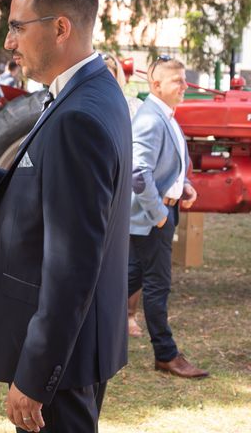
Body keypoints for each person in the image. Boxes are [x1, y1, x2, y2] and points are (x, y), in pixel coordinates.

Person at [0, 0, 132, 432]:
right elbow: (57, 197)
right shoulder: (92, 90)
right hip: (78, 346)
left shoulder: (79, 115)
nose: (9, 42)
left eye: (17, 26)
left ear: (60, 27)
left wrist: (36, 375)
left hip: (64, 360)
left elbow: (72, 263)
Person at [128, 57, 209, 379]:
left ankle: (80, 331)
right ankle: (166, 354)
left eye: (185, 80)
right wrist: (160, 215)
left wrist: (184, 186)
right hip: (152, 218)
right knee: (157, 285)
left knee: (127, 280)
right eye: (177, 81)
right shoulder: (151, 119)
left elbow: (167, 167)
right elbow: (138, 172)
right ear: (156, 85)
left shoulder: (167, 116)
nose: (185, 86)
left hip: (161, 212)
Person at [102, 52, 145, 336]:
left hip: (129, 188)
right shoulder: (91, 103)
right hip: (102, 187)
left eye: (111, 70)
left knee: (131, 257)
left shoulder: (133, 106)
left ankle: (129, 315)